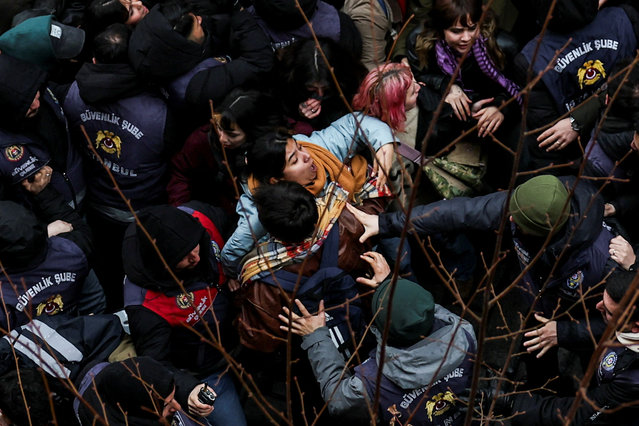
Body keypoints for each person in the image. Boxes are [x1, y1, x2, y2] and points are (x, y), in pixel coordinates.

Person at [346, 174, 622, 389]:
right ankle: (539, 388)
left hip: (578, 323)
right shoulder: (530, 203)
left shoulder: (604, 259)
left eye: (518, 219)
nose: (509, 218)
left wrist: (563, 332)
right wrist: (387, 224)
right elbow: (458, 212)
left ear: (546, 232)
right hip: (537, 306)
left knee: (589, 372)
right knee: (536, 361)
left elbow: (620, 325)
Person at [62, 23, 175, 310]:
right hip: (144, 207)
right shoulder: (159, 111)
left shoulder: (73, 95)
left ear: (96, 61)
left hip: (99, 205)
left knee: (110, 274)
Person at [220, 112, 396, 278]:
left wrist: (384, 144)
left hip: (374, 226)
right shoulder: (264, 213)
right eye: (294, 160)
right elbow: (233, 252)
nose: (307, 156)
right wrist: (233, 275)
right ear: (276, 181)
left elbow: (355, 122)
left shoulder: (320, 148)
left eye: (299, 148)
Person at [279, 278, 476, 424]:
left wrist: (316, 336)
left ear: (379, 330)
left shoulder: (371, 381)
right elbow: (430, 311)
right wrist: (390, 285)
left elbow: (338, 400)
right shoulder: (464, 332)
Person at [122, 203, 244, 426]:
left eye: (194, 245)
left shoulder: (200, 217)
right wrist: (188, 388)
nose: (195, 256)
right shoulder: (145, 303)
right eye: (183, 255)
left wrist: (236, 263)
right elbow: (155, 363)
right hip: (208, 373)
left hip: (244, 340)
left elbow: (237, 227)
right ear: (162, 263)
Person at [492, 270, 639, 425]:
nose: (598, 306)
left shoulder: (631, 379)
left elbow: (580, 413)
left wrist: (511, 403)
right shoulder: (627, 322)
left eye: (609, 312)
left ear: (636, 326)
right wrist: (563, 332)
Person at [514, 1, 638, 174]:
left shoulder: (532, 60)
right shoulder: (623, 18)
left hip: (619, 136)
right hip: (596, 151)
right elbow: (550, 140)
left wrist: (577, 120)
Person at [0, 165, 105, 329]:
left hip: (33, 348)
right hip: (80, 330)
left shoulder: (3, 292)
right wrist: (43, 193)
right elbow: (78, 228)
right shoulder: (72, 252)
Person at [167, 88, 282, 213]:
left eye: (231, 135)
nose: (222, 138)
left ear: (252, 132)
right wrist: (182, 212)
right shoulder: (201, 140)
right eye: (218, 128)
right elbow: (180, 174)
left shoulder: (273, 144)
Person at [0, 53, 85, 208]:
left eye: (35, 93)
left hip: (83, 192)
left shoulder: (43, 90)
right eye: (25, 105)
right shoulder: (3, 150)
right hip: (52, 215)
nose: (36, 104)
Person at [76, 356, 213, 425]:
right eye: (167, 404)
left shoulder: (134, 378)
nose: (177, 407)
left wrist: (187, 390)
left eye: (174, 397)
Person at [277, 37, 367, 134]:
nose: (320, 93)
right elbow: (283, 105)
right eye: (312, 87)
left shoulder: (349, 73)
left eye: (325, 88)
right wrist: (299, 112)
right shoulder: (288, 78)